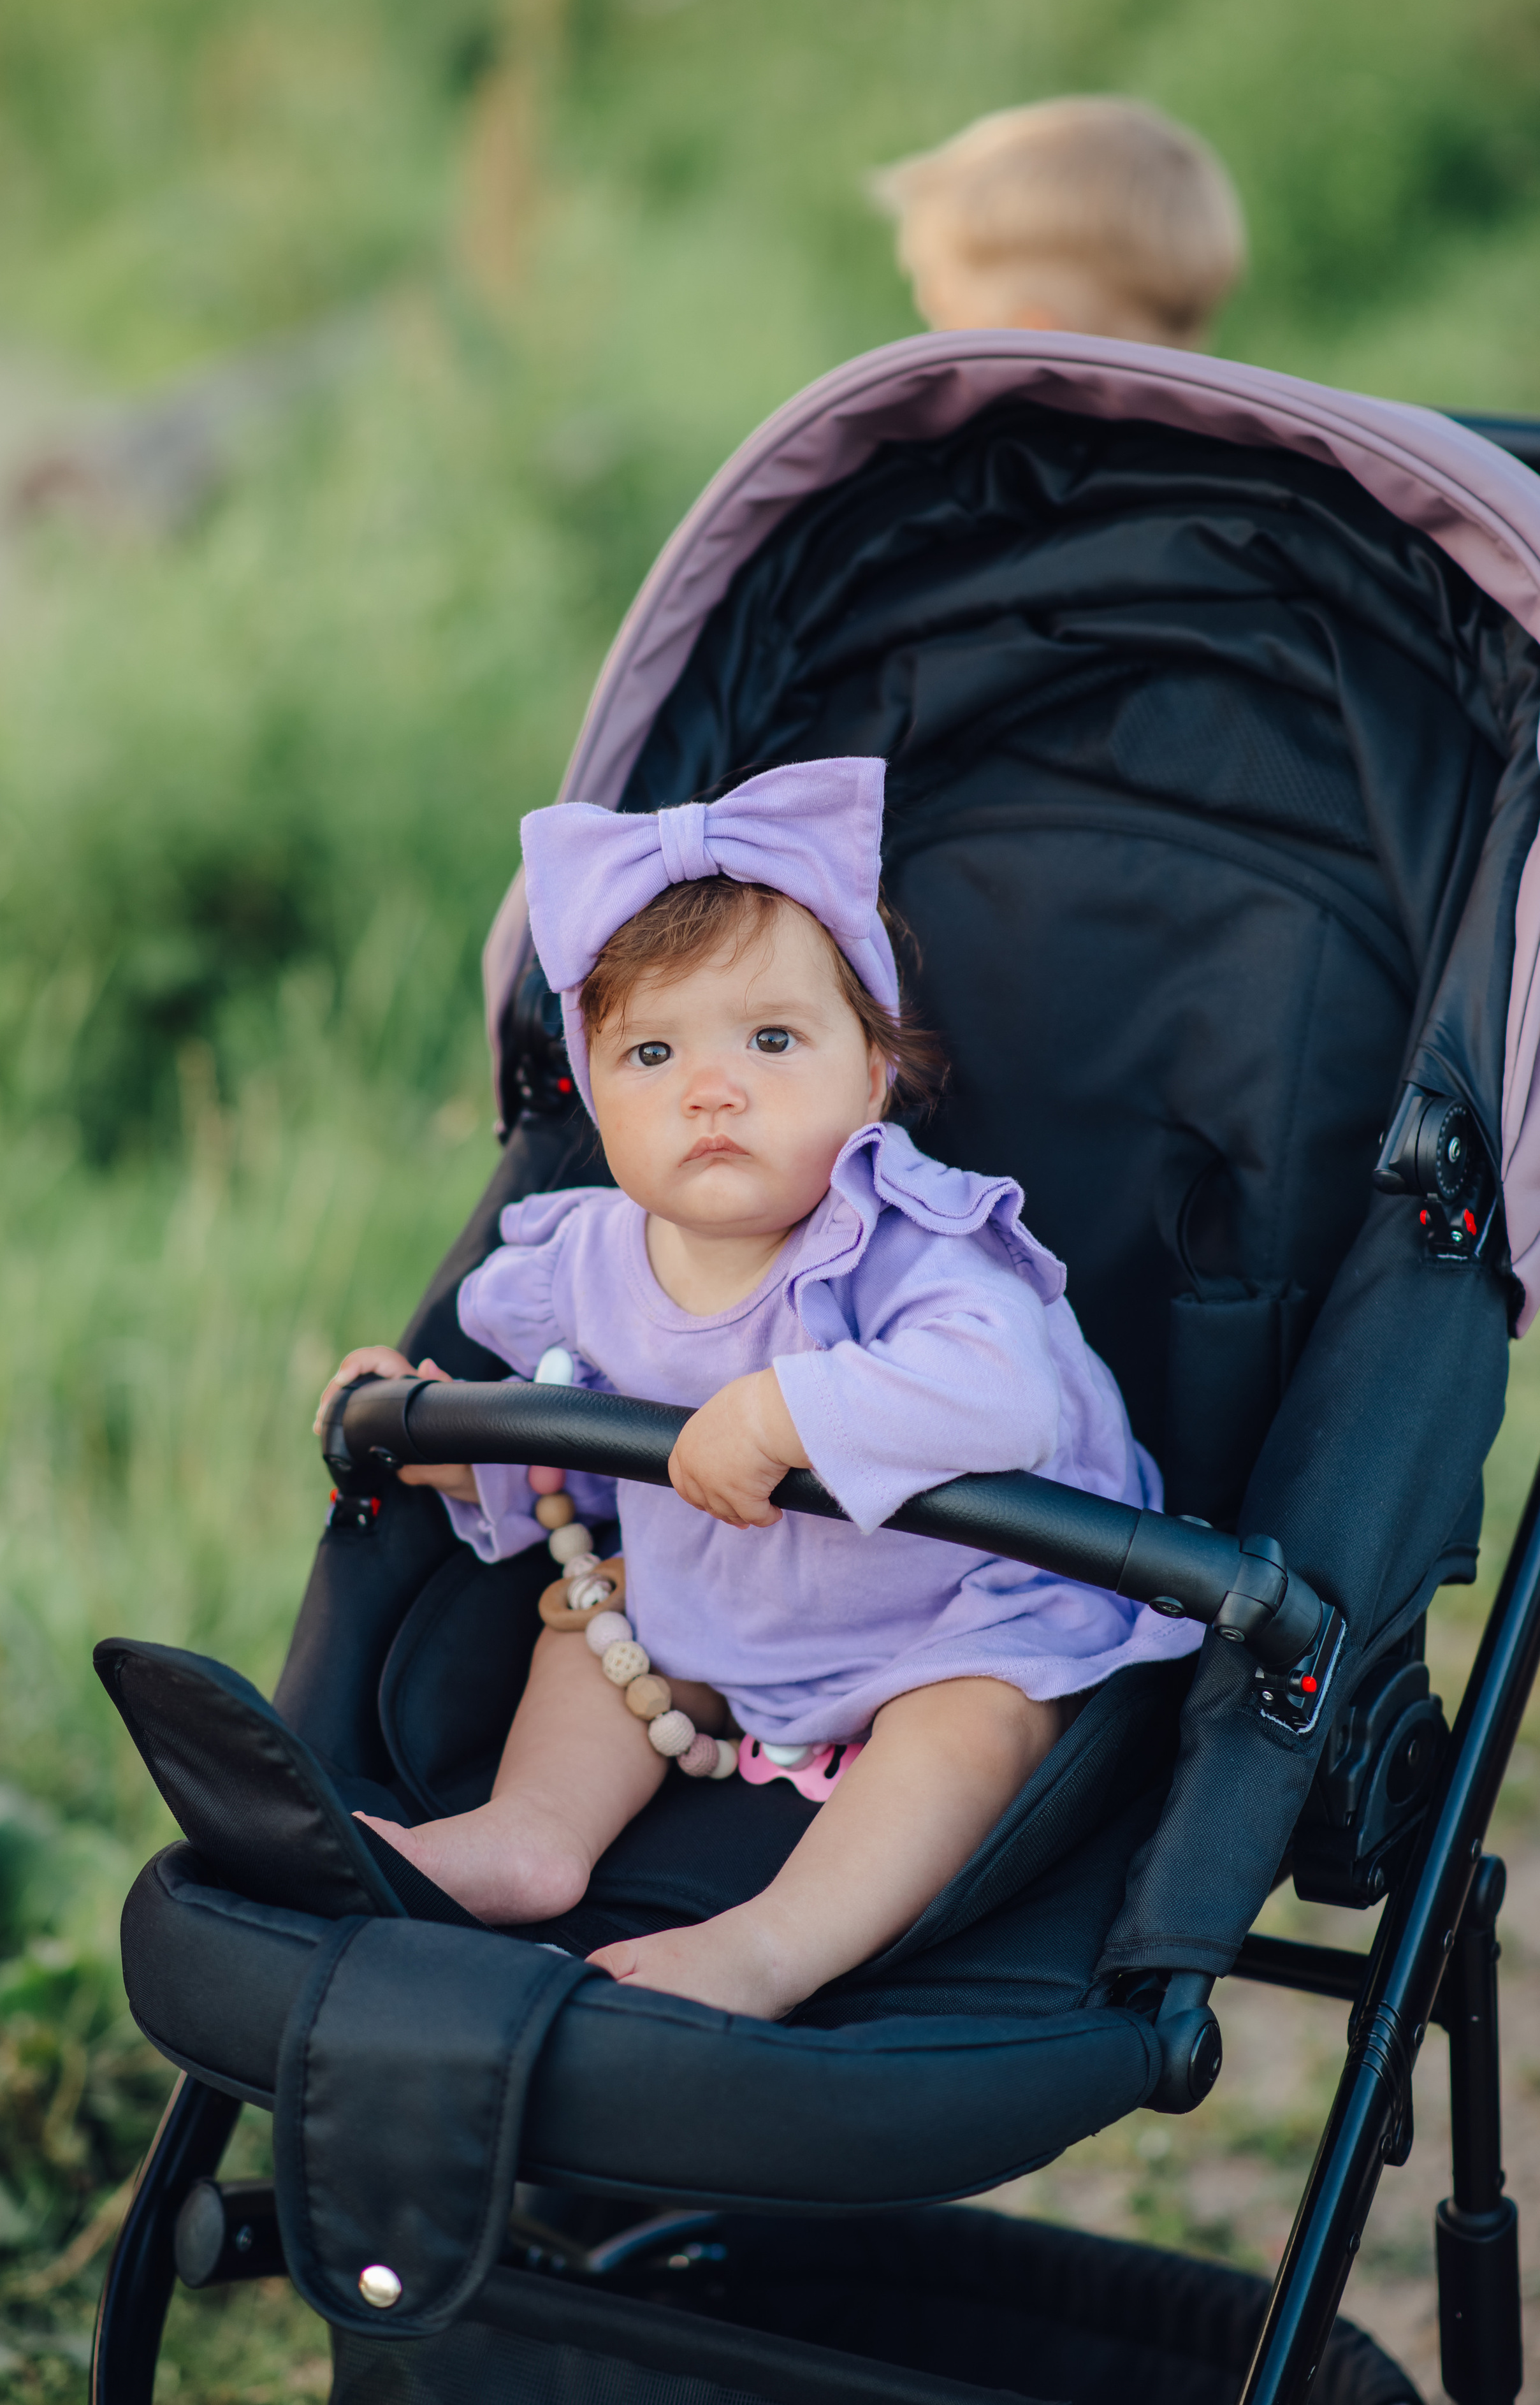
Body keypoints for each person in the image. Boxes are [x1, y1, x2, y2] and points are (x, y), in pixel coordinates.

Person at [317, 759, 1200, 2019]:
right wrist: (440, 1436)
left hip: (955, 1609)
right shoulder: (579, 1264)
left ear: (871, 1077)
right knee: (594, 1616)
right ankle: (527, 1836)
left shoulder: (906, 1241)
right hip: (723, 1599)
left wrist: (787, 1409)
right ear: (593, 1089)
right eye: (652, 1051)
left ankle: (773, 1946)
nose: (709, 1088)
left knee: (976, 1724)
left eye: (770, 1039)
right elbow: (572, 1443)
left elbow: (1006, 1398)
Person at [871, 94, 1245, 347]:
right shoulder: (1230, 452)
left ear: (1035, 336)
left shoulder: (986, 458)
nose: (925, 303)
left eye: (946, 319)